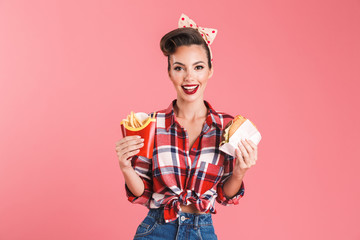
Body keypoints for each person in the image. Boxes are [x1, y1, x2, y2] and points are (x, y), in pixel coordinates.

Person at [115, 13, 258, 240]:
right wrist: (126, 168)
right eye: (180, 68)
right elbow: (143, 193)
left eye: (198, 67)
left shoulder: (227, 127)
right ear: (169, 72)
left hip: (202, 230)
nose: (189, 77)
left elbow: (225, 195)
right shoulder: (152, 124)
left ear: (210, 70)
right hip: (156, 229)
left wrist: (241, 171)